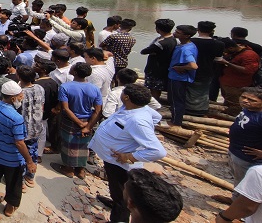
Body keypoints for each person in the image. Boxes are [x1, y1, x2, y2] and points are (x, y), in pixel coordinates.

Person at [89, 84, 166, 222]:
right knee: (116, 189)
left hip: (119, 165)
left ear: (126, 97)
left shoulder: (138, 120)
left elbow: (158, 151)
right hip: (111, 159)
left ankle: (119, 217)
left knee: (122, 198)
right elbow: (157, 117)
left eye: (123, 92)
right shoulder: (136, 108)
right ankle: (116, 202)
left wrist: (130, 156)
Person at [0, 80, 36, 218]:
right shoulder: (16, 118)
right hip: (12, 158)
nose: (21, 97)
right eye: (20, 96)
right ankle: (9, 208)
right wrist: (29, 161)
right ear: (13, 98)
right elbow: (19, 143)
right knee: (13, 183)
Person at [51, 62, 102, 180]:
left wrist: (79, 123)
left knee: (68, 144)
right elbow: (98, 110)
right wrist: (88, 126)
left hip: (71, 120)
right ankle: (80, 170)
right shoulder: (94, 89)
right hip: (88, 120)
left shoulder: (65, 87)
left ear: (74, 72)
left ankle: (68, 169)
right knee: (84, 145)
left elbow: (65, 108)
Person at [187, 21, 225, 116]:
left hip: (189, 69)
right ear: (212, 31)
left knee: (188, 90)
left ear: (198, 29)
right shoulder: (219, 44)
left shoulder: (190, 41)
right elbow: (218, 59)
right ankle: (201, 109)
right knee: (203, 91)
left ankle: (188, 108)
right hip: (208, 70)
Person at [227, 87, 262, 186]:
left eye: (251, 100)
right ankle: (234, 199)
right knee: (238, 180)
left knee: (246, 185)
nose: (245, 101)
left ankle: (238, 201)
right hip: (235, 152)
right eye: (243, 97)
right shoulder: (247, 109)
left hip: (247, 159)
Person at [17, 65, 45, 188]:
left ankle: (21, 180)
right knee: (33, 151)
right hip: (37, 126)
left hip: (23, 128)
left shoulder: (19, 92)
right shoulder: (39, 88)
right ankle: (30, 176)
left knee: (21, 154)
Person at [218, 38, 260, 116]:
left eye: (225, 50)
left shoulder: (249, 55)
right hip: (228, 83)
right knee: (228, 103)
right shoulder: (234, 52)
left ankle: (234, 120)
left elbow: (248, 70)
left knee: (235, 105)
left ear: (231, 48)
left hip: (237, 85)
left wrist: (227, 63)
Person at [167, 25, 199, 126]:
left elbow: (193, 66)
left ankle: (176, 122)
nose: (175, 33)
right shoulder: (188, 45)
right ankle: (176, 119)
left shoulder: (185, 49)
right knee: (178, 99)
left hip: (177, 78)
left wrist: (180, 68)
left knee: (176, 100)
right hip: (179, 77)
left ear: (186, 36)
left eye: (178, 32)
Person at [140, 18, 177, 100]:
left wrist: (152, 51)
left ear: (158, 29)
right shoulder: (174, 40)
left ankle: (154, 105)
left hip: (155, 69)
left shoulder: (160, 43)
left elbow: (144, 51)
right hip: (165, 68)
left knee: (154, 89)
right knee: (157, 88)